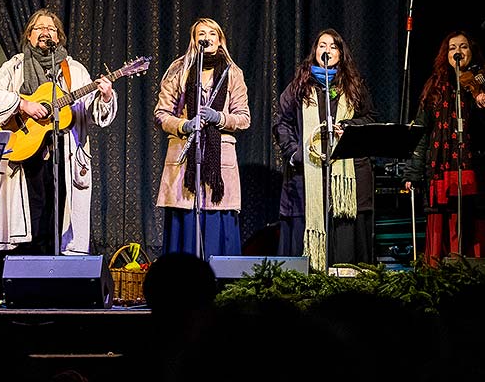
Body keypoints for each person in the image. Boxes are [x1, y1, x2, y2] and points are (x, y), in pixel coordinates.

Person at [0, 8, 116, 256]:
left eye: (51, 28)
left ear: (59, 36)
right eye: (38, 28)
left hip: (64, 155)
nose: (45, 32)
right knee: (31, 216)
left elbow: (94, 112)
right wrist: (23, 104)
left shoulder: (74, 71)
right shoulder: (15, 66)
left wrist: (105, 96)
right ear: (29, 36)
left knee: (59, 214)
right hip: (25, 155)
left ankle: (57, 278)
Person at [272, 28, 376, 271]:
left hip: (346, 174)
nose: (326, 50)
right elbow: (281, 122)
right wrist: (295, 152)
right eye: (322, 45)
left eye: (333, 46)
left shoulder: (354, 86)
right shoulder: (300, 86)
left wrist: (348, 126)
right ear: (315, 52)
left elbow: (369, 118)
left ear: (341, 53)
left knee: (344, 234)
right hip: (307, 173)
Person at [403, 30, 485, 262]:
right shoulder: (434, 86)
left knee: (471, 227)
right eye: (452, 48)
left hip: (474, 169)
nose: (458, 52)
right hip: (439, 170)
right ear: (445, 54)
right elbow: (422, 131)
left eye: (463, 47)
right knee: (440, 232)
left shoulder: (482, 81)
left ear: (472, 51)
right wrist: (413, 171)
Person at [154, 18, 251, 257]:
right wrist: (184, 124)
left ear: (219, 41)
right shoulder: (179, 70)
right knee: (185, 222)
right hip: (185, 160)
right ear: (194, 40)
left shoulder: (233, 73)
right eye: (200, 34)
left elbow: (244, 117)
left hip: (220, 164)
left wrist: (220, 118)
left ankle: (219, 284)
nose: (205, 38)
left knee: (216, 224)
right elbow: (161, 113)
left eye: (211, 34)